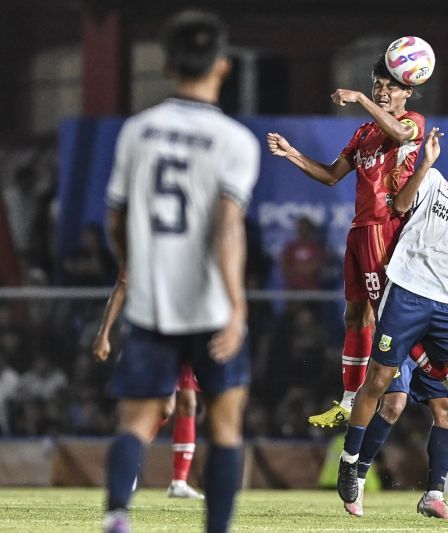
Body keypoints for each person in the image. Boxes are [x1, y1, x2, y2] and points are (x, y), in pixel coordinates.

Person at [101, 11, 259, 533]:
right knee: (225, 423)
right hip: (211, 304)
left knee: (138, 422)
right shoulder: (235, 140)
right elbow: (228, 230)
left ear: (165, 64)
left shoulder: (137, 131)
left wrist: (138, 266)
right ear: (223, 66)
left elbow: (116, 219)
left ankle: (118, 515)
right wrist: (236, 307)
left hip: (151, 302)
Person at [268, 56, 448, 429]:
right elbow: (331, 176)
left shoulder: (411, 122)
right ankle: (349, 400)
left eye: (391, 87)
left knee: (388, 315)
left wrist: (358, 97)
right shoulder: (363, 134)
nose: (382, 92)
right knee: (355, 315)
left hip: (384, 227)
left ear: (408, 92)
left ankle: (446, 377)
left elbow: (402, 136)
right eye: (377, 85)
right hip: (359, 230)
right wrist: (292, 154)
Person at [337, 128, 448, 514]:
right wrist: (426, 164)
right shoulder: (435, 182)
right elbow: (401, 205)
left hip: (447, 309)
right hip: (405, 294)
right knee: (383, 385)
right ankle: (351, 462)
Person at [92, 275, 205, 499]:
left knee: (188, 403)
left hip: (186, 331)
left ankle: (179, 482)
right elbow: (122, 288)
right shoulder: (141, 246)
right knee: (161, 408)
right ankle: (129, 470)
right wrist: (104, 334)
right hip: (154, 334)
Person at [345, 357, 448, 519]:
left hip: (430, 346)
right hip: (403, 343)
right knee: (393, 405)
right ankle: (358, 479)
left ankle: (434, 496)